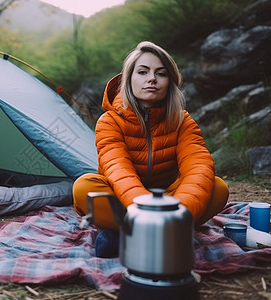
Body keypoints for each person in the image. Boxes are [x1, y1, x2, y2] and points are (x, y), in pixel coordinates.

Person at [73, 41, 229, 256]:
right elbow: (118, 171)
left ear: (170, 82)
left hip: (170, 202)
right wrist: (147, 210)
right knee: (84, 188)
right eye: (143, 72)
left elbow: (198, 169)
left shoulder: (182, 121)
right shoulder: (109, 122)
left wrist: (173, 213)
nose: (152, 79)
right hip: (124, 201)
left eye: (161, 73)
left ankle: (128, 237)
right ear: (129, 79)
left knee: (218, 188)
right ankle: (167, 237)